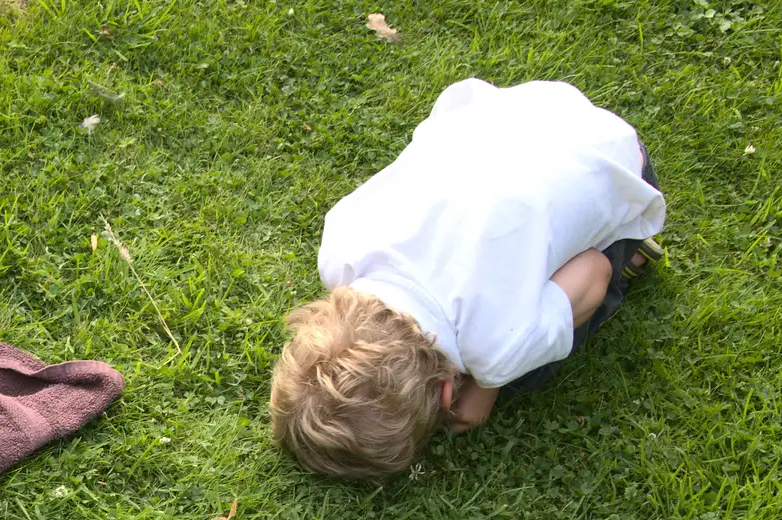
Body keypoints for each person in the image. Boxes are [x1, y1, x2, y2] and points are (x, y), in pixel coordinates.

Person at [269, 78, 666, 480]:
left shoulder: (497, 345)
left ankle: (629, 248)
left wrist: (492, 380)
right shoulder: (342, 254)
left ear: (446, 393)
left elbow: (594, 270)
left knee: (532, 369)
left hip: (622, 168)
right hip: (524, 109)